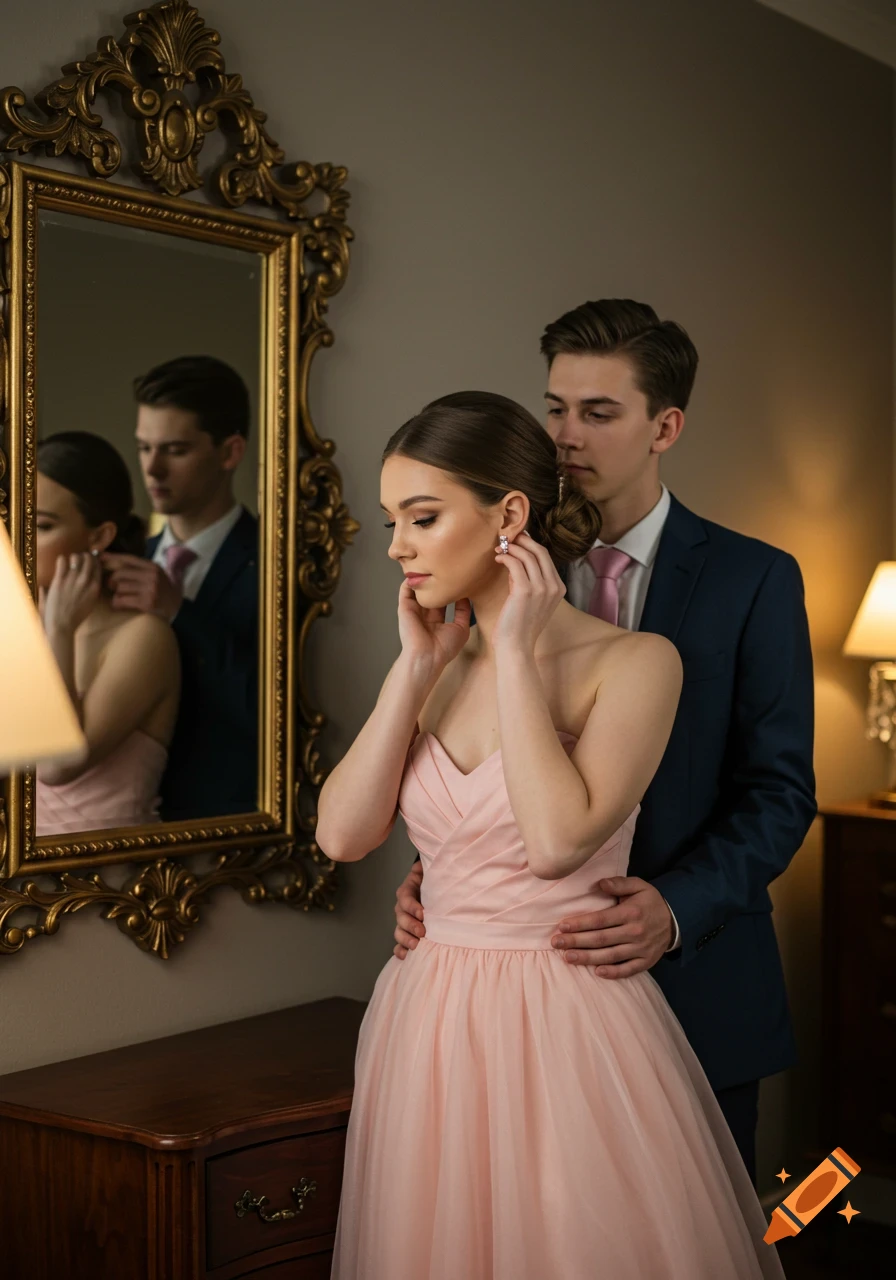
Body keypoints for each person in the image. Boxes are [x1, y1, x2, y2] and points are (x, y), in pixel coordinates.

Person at [319, 392, 784, 1279]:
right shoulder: (433, 663)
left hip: (565, 1017)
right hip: (428, 1014)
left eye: (422, 517)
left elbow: (555, 844)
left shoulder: (636, 663)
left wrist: (517, 656)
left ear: (509, 517)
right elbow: (343, 836)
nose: (397, 547)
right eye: (391, 521)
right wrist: (414, 670)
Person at [393, 300, 817, 1187]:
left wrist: (674, 908)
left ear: (665, 427)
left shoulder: (753, 578)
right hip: (514, 1002)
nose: (565, 435)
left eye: (598, 412)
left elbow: (779, 792)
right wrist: (446, 866)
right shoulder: (481, 563)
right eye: (555, 407)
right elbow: (459, 747)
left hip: (696, 976)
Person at [103, 355, 259, 821]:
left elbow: (272, 710)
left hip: (224, 826)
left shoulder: (275, 563)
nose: (152, 469)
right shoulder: (125, 560)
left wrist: (179, 613)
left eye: (174, 450)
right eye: (144, 448)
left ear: (230, 452)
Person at [34, 432, 180, 836]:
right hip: (26, 869)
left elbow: (54, 765)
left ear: (99, 536)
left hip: (110, 868)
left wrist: (60, 629)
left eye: (41, 525)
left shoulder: (144, 636)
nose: (18, 539)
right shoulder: (20, 629)